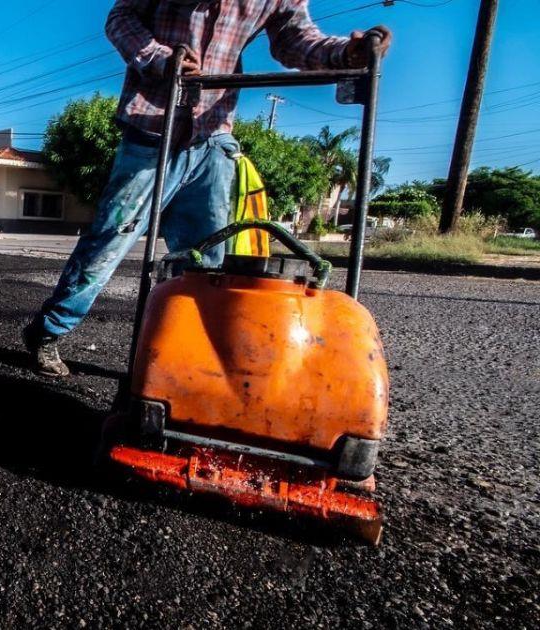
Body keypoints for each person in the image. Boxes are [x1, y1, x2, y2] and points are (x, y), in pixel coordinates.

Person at [22, 0, 391, 378]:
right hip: (152, 128)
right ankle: (48, 331)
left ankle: (183, 359)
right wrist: (158, 58)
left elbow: (294, 40)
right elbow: (122, 17)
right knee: (109, 242)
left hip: (213, 133)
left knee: (205, 260)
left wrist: (346, 53)